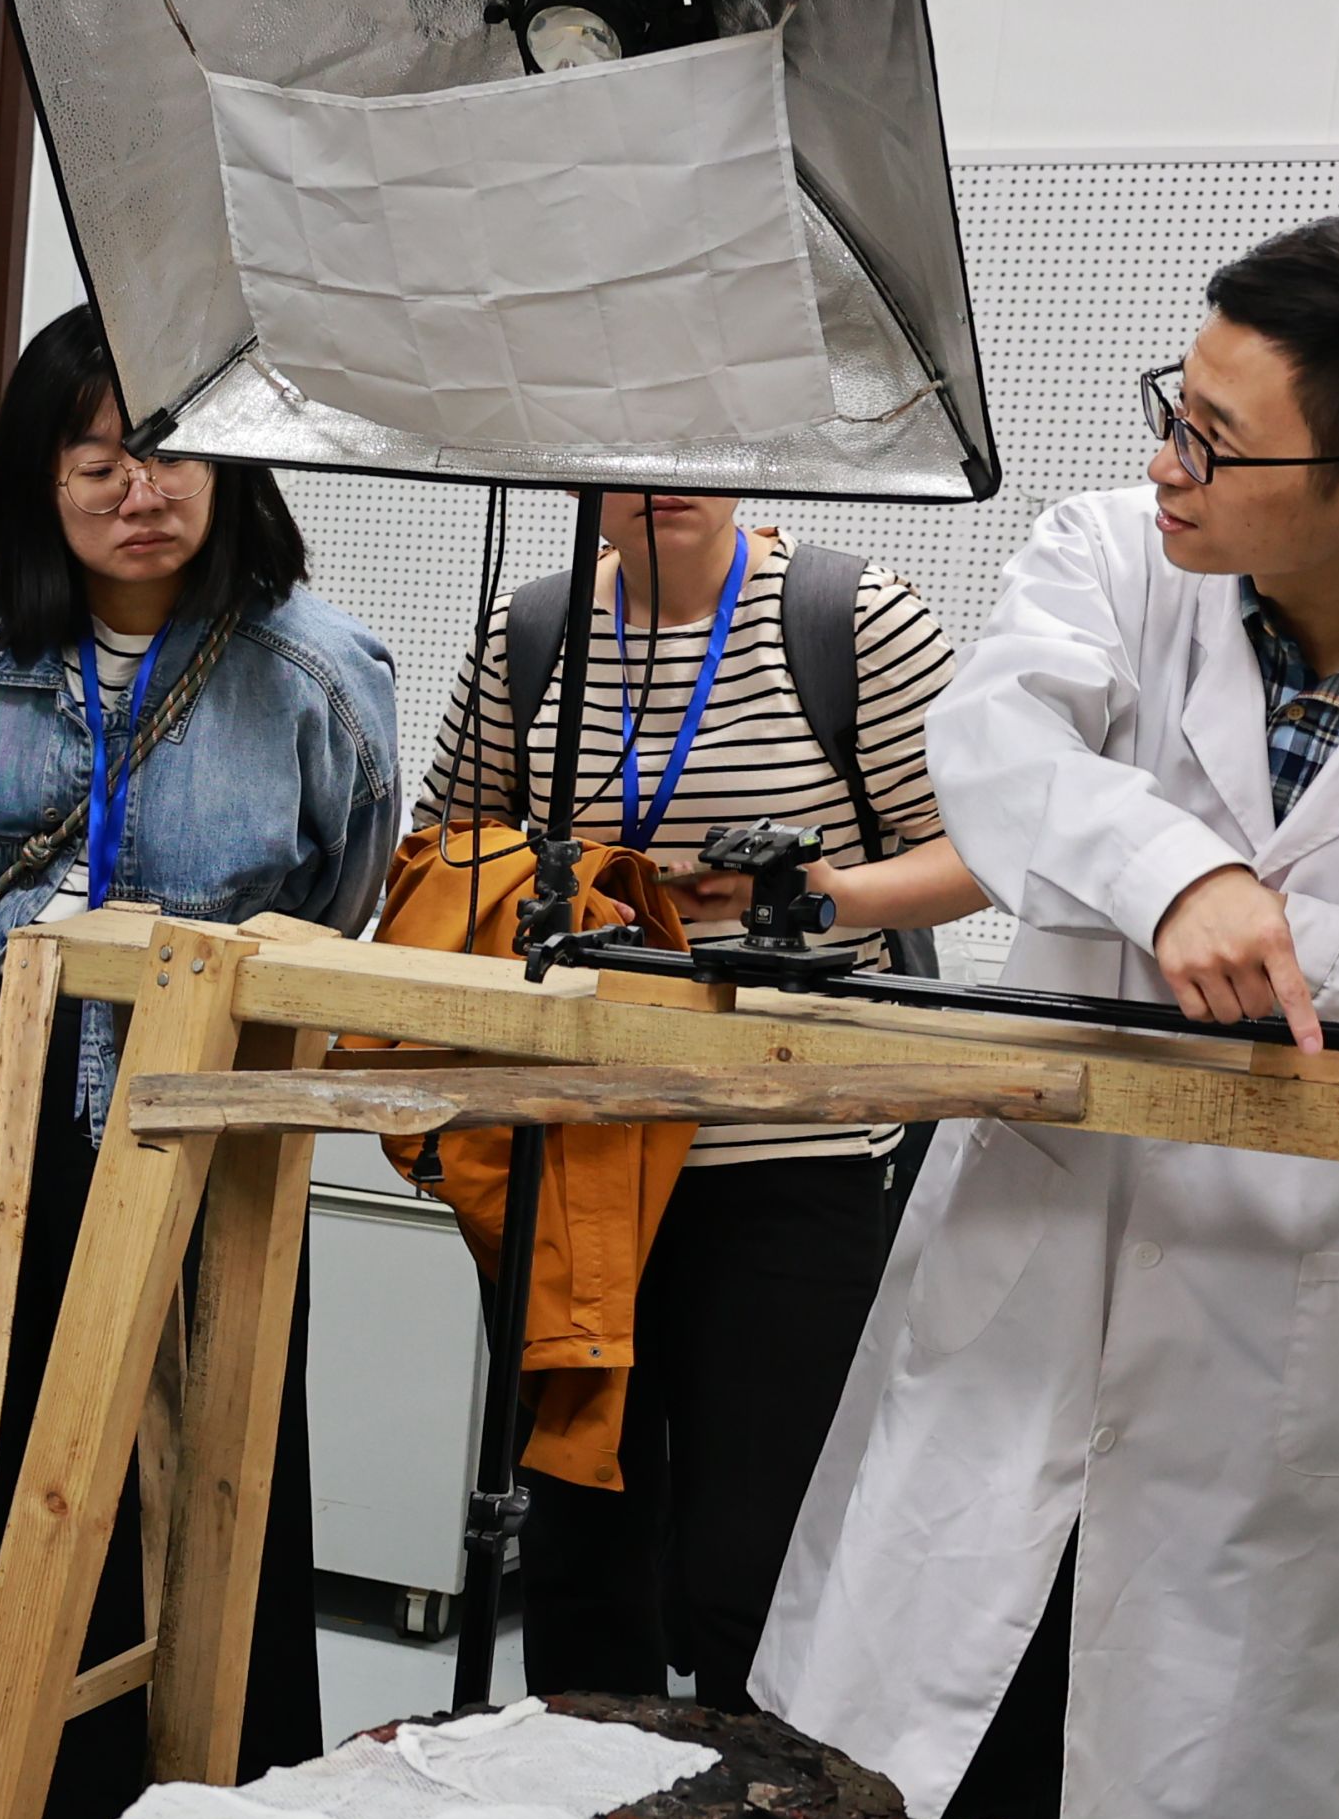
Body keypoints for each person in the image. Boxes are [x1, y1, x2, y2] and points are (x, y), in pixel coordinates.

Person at [764, 215, 1339, 1819]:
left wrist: (1296, 940)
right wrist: (1177, 871)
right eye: (1172, 406)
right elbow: (997, 745)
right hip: (1025, 1306)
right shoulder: (1114, 556)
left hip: (1291, 1380)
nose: (1165, 462)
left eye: (1216, 441)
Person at [0, 303, 397, 1819]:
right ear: (40, 474)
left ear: (235, 466)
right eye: (99, 457)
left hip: (202, 1089)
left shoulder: (319, 664)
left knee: (191, 1447)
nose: (142, 490)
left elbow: (341, 891)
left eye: (176, 453)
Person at [414, 488, 986, 1713]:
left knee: (754, 1554)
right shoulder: (531, 632)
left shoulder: (844, 619)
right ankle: (578, 1804)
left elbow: (983, 847)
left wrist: (819, 894)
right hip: (579, 1151)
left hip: (786, 1149)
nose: (661, 475)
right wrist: (564, 885)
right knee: (579, 1547)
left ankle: (760, 1811)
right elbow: (444, 850)